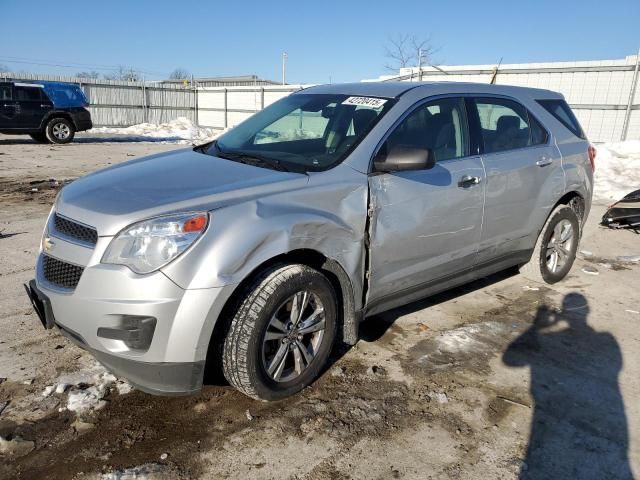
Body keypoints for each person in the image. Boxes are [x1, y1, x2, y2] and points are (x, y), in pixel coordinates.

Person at [503, 293, 633, 479]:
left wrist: (536, 326)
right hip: (605, 416)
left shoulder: (553, 337)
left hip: (554, 410)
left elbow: (510, 360)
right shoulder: (606, 339)